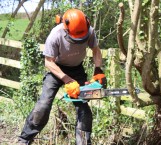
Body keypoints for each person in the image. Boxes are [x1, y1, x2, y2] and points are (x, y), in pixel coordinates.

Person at [18, 8, 106, 145]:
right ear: (66, 29)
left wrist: (98, 70)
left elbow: (96, 50)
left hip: (77, 70)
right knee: (43, 105)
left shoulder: (89, 30)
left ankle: (83, 142)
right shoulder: (55, 35)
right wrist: (67, 80)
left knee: (84, 109)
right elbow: (48, 61)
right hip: (56, 70)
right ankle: (24, 140)